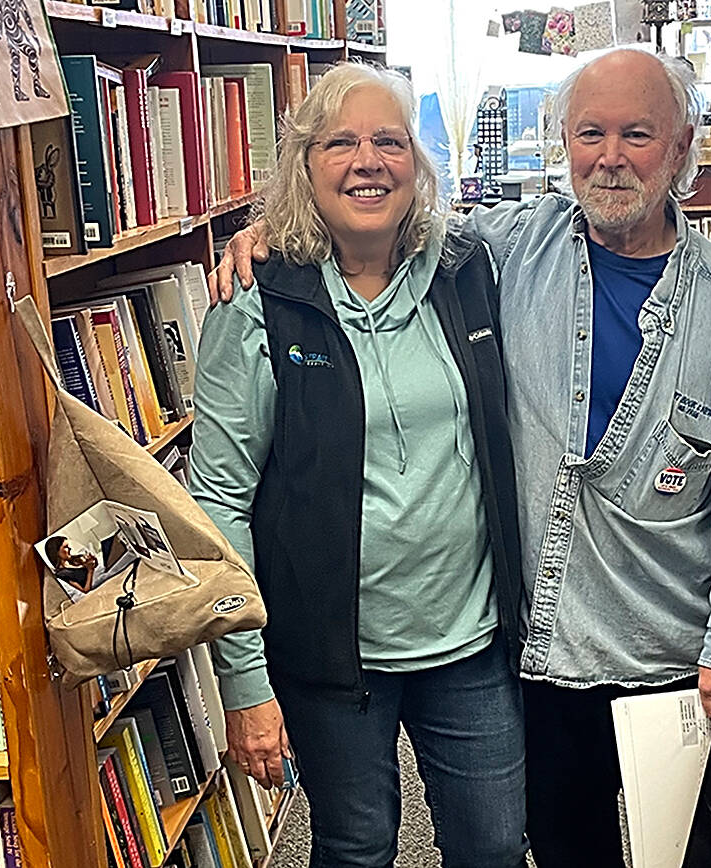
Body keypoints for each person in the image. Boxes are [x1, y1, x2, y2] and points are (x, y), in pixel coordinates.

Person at [211, 49, 711, 868]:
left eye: (637, 134)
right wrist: (273, 235)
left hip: (669, 653)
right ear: (562, 144)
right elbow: (375, 216)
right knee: (557, 845)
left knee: (678, 852)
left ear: (682, 151)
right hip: (544, 646)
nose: (610, 156)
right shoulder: (505, 250)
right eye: (589, 133)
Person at [188, 63, 529, 868]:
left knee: (491, 845)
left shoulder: (469, 269)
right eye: (340, 143)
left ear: (419, 161)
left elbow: (578, 231)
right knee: (357, 845)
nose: (367, 161)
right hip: (332, 655)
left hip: (472, 642)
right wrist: (245, 684)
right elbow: (218, 504)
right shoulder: (259, 300)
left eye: (389, 140)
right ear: (304, 167)